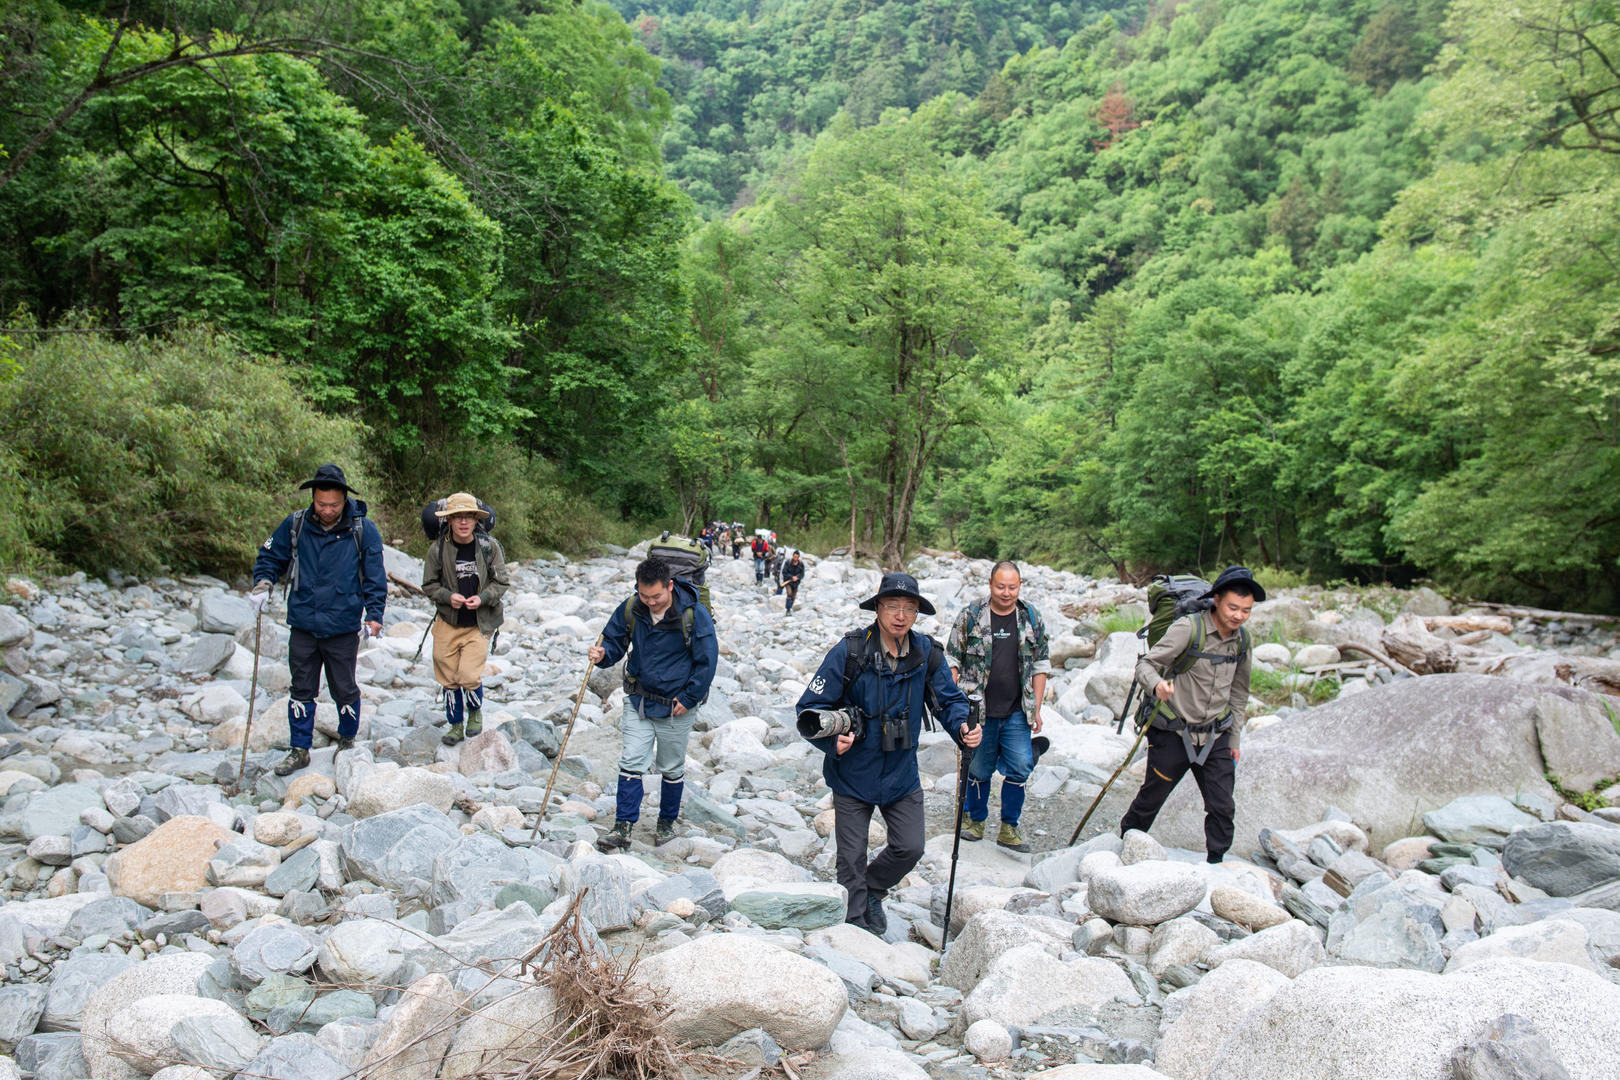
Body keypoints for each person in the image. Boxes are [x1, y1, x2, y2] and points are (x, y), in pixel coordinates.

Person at [796, 572, 980, 935]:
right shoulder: (849, 651)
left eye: (909, 608)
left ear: (916, 614)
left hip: (901, 772)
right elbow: (810, 708)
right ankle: (855, 926)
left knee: (910, 847)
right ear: (878, 608)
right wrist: (833, 742)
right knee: (850, 858)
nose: (900, 615)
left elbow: (949, 701)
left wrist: (962, 727)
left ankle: (874, 890)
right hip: (853, 771)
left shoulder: (927, 652)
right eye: (892, 606)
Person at [1118, 565, 1261, 864]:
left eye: (1245, 611)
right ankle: (1126, 847)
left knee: (1222, 805)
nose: (1238, 616)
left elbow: (1239, 692)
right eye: (1233, 607)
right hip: (1173, 730)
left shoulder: (1243, 641)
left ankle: (1216, 864)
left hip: (1216, 734)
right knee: (1153, 796)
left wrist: (1234, 737)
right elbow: (1146, 665)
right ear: (1217, 599)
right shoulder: (1189, 628)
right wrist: (1157, 686)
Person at [250, 463, 385, 776]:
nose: (327, 510)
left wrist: (375, 614)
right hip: (304, 622)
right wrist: (263, 584)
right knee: (301, 687)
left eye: (334, 505)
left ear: (344, 500)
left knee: (344, 687)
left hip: (342, 624)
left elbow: (375, 577)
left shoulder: (363, 529)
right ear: (313, 499)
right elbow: (270, 556)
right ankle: (299, 749)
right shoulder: (295, 524)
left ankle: (347, 740)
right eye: (321, 504)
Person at [589, 556, 718, 848]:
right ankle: (622, 828)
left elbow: (707, 661)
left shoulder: (694, 614)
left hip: (677, 705)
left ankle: (666, 823)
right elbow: (613, 641)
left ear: (670, 586)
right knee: (632, 760)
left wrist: (689, 697)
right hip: (640, 698)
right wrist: (602, 655)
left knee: (671, 766)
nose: (651, 602)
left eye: (656, 596)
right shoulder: (632, 607)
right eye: (644, 595)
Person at [946, 560, 1052, 852]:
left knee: (1020, 766)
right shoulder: (971, 616)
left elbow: (1041, 665)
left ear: (1020, 586)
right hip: (977, 711)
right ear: (990, 584)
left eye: (1012, 587)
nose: (1006, 592)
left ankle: (1009, 828)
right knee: (979, 768)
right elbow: (952, 660)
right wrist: (953, 704)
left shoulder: (1031, 617)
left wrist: (1037, 708)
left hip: (1017, 710)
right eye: (1001, 586)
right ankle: (976, 821)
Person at [421, 492, 510, 746]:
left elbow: (501, 581)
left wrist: (483, 598)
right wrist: (449, 597)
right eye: (457, 517)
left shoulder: (488, 547)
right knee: (448, 678)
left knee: (469, 675)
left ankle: (474, 713)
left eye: (468, 517)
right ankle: (455, 724)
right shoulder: (438, 550)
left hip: (478, 624)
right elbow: (429, 585)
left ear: (475, 519)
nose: (463, 522)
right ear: (448, 520)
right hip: (448, 621)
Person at [780, 550, 806, 615]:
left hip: (796, 583)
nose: (795, 558)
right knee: (789, 594)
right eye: (794, 557)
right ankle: (788, 610)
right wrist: (792, 577)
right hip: (788, 581)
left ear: (799, 557)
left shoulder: (801, 564)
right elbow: (784, 572)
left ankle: (790, 608)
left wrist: (797, 578)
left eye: (797, 557)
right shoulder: (788, 562)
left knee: (793, 597)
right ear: (793, 556)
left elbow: (802, 574)